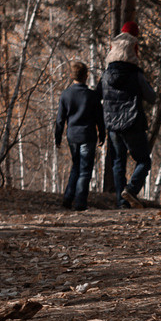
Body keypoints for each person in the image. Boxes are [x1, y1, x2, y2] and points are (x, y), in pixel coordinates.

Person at [98, 30, 156, 207]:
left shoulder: (106, 76)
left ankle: (121, 202)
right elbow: (152, 97)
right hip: (133, 122)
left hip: (113, 124)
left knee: (118, 162)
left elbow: (97, 96)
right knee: (144, 160)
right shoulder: (135, 75)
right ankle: (131, 189)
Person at [52, 62, 103, 210]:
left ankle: (68, 198)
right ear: (86, 76)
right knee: (85, 169)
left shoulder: (66, 94)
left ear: (72, 76)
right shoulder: (92, 95)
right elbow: (99, 118)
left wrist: (58, 136)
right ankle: (80, 202)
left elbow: (60, 119)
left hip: (72, 136)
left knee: (76, 166)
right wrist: (102, 134)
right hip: (88, 135)